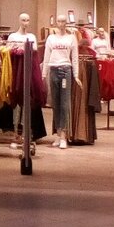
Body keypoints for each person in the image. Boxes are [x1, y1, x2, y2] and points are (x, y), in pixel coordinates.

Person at [42, 14, 80, 149]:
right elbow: (46, 56)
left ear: (66, 23)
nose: (61, 23)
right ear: (56, 23)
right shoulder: (51, 38)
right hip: (53, 70)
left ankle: (64, 134)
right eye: (59, 21)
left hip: (65, 70)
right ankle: (58, 134)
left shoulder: (71, 38)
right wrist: (43, 74)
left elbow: (75, 58)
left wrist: (76, 75)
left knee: (64, 104)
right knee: (55, 104)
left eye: (63, 21)